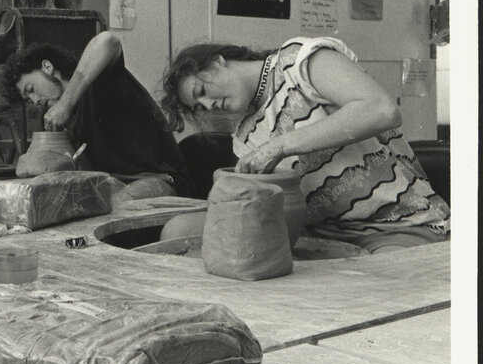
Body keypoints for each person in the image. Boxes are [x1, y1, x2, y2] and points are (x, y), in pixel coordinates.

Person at [159, 36, 451, 252]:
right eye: (200, 108)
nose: (209, 105)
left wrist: (281, 145)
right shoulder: (244, 139)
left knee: (366, 288)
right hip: (321, 236)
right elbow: (277, 214)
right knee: (178, 232)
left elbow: (381, 110)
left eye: (201, 90)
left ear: (217, 62)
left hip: (397, 225)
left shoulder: (299, 61)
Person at [5, 31, 192, 198]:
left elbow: (107, 41)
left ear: (47, 67)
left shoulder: (97, 80)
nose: (35, 100)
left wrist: (66, 103)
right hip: (115, 184)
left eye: (31, 88)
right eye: (29, 99)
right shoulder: (65, 120)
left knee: (112, 205)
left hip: (162, 180)